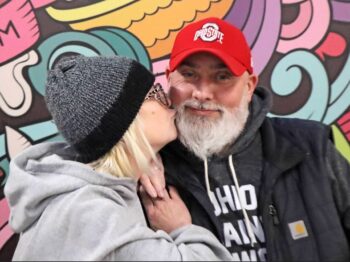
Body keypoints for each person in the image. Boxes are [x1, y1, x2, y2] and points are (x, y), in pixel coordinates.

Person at [140, 17, 350, 261]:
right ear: (169, 79)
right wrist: (140, 155)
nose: (202, 93)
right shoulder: (150, 171)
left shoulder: (311, 146)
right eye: (189, 74)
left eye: (222, 77)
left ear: (249, 86)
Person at [4, 55, 233, 261]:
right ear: (127, 122)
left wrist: (145, 156)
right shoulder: (94, 214)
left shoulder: (79, 197)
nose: (171, 105)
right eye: (157, 94)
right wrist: (181, 227)